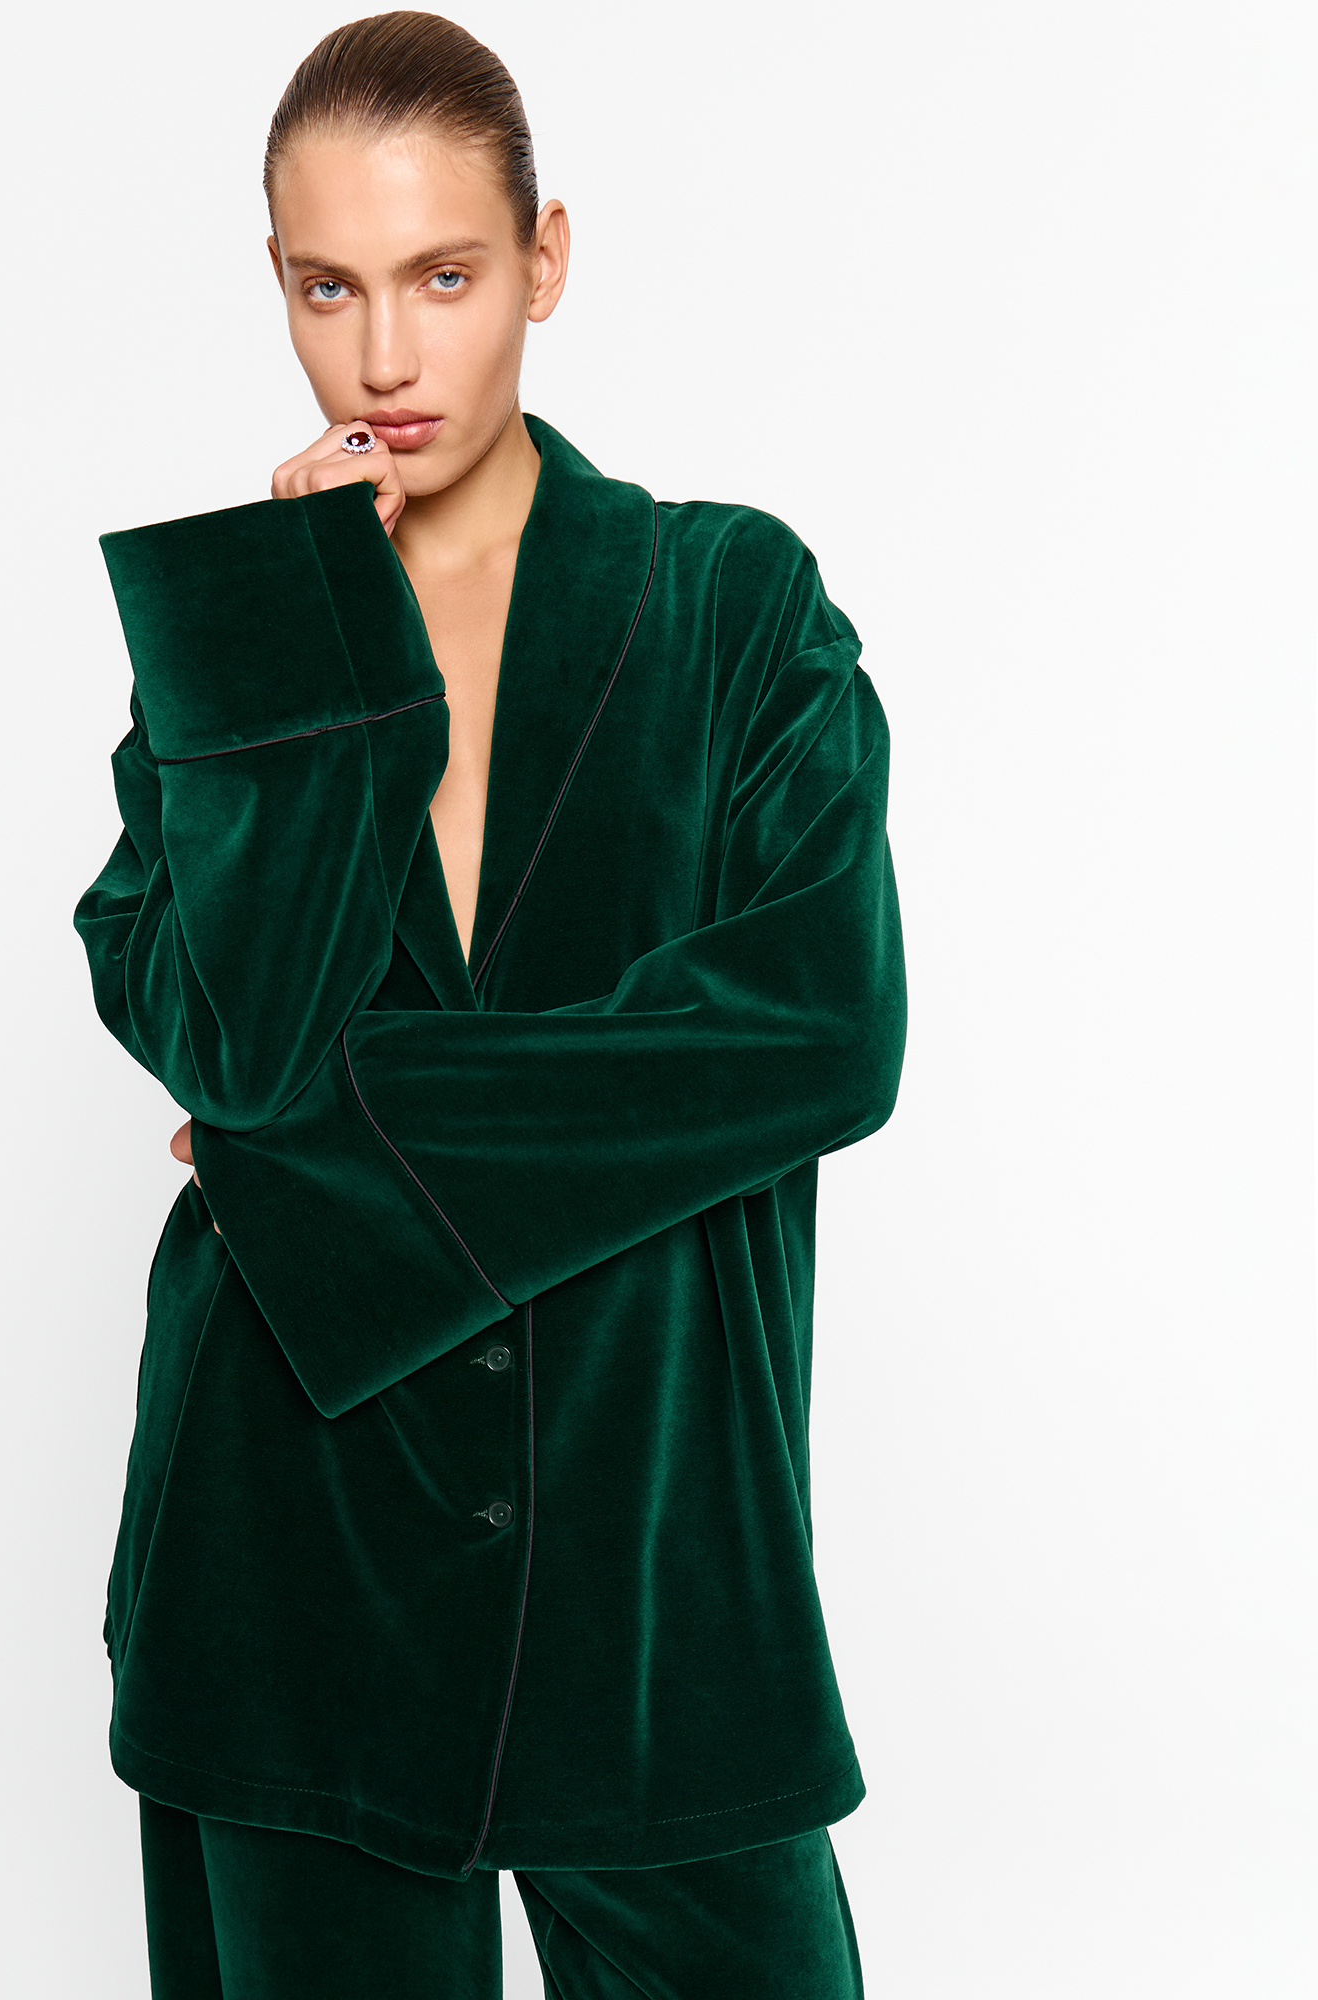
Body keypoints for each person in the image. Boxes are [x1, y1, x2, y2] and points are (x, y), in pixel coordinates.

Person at [74, 13, 906, 1997]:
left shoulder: (726, 607)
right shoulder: (242, 649)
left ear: (543, 260)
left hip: (656, 1559)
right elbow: (237, 1046)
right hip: (285, 1561)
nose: (383, 355)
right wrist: (298, 644)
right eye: (327, 288)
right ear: (277, 284)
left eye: (441, 277)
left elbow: (816, 1029)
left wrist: (318, 1163)